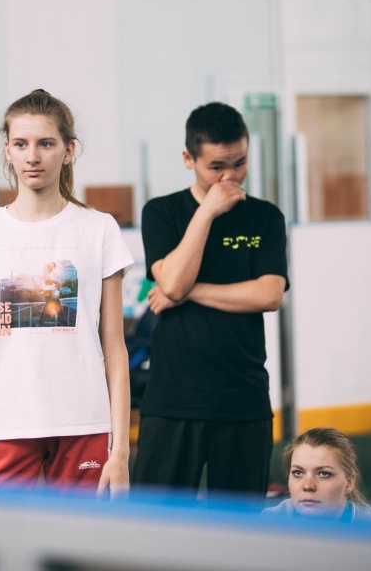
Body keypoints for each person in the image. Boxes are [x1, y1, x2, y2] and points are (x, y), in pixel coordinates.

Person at [0, 89, 133, 495]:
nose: (32, 156)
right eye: (21, 144)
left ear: (68, 150)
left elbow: (115, 348)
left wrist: (119, 453)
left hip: (83, 421)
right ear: (7, 151)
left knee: (82, 535)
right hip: (1, 422)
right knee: (0, 533)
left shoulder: (99, 229)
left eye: (46, 143)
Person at [133, 102, 289, 497]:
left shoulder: (265, 217)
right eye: (216, 166)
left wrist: (188, 293)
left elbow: (269, 294)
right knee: (156, 523)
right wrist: (206, 213)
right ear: (189, 159)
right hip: (172, 401)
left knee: (240, 526)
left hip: (243, 400)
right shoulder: (162, 212)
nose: (229, 176)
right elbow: (172, 283)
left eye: (240, 163)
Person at [262, 428, 371, 524]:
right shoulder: (264, 527)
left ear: (349, 483)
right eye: (298, 473)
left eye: (324, 474)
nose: (308, 486)